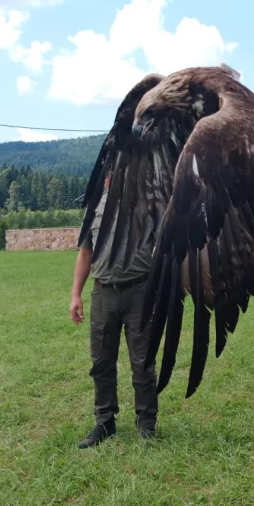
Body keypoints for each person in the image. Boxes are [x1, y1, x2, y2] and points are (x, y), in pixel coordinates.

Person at [69, 173, 158, 447]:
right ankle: (104, 422)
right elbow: (85, 252)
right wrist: (75, 294)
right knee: (101, 362)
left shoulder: (147, 202)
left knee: (142, 361)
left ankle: (146, 424)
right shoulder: (94, 206)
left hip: (140, 292)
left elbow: (165, 245)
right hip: (103, 293)